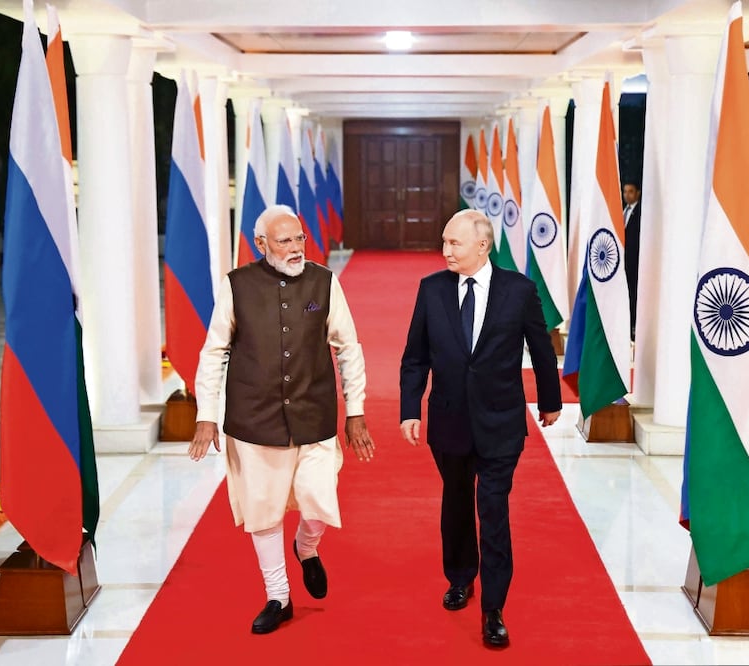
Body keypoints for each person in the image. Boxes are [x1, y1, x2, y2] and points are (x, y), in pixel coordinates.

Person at [189, 204, 376, 635]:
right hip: (254, 421)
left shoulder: (324, 282)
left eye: (300, 239)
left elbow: (349, 347)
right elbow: (214, 351)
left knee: (319, 500)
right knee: (264, 511)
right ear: (261, 244)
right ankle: (279, 596)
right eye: (284, 240)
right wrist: (206, 415)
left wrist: (356, 411)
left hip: (314, 415)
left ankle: (306, 547)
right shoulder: (237, 286)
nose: (295, 248)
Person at [399, 209, 562, 648]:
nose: (445, 250)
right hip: (448, 420)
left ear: (482, 246)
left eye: (454, 243)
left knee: (493, 509)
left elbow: (541, 349)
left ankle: (494, 609)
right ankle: (460, 577)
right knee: (455, 502)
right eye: (444, 242)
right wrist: (409, 408)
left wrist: (550, 401)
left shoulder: (519, 291)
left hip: (501, 423)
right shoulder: (431, 290)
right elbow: (415, 355)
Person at [622, 181, 642, 340]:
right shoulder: (623, 211)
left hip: (635, 263)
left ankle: (634, 327)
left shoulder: (641, 213)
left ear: (638, 193)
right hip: (624, 264)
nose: (627, 195)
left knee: (635, 295)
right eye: (625, 192)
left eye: (630, 191)